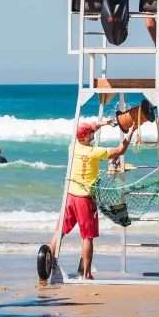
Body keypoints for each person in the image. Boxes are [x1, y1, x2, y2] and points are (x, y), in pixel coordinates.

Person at [49, 120, 130, 280]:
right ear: (87, 136)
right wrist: (132, 131)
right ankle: (87, 274)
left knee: (59, 233)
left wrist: (103, 123)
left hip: (70, 196)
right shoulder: (94, 152)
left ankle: (47, 263)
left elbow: (90, 129)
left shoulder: (72, 147)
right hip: (85, 200)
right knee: (87, 237)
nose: (94, 133)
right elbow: (120, 150)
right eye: (91, 132)